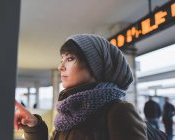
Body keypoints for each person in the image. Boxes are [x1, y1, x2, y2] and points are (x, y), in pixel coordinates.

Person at [14, 34, 147, 140]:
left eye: (70, 58)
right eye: (62, 60)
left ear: (96, 66)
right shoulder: (69, 110)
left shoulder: (119, 111)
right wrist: (34, 127)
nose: (60, 66)